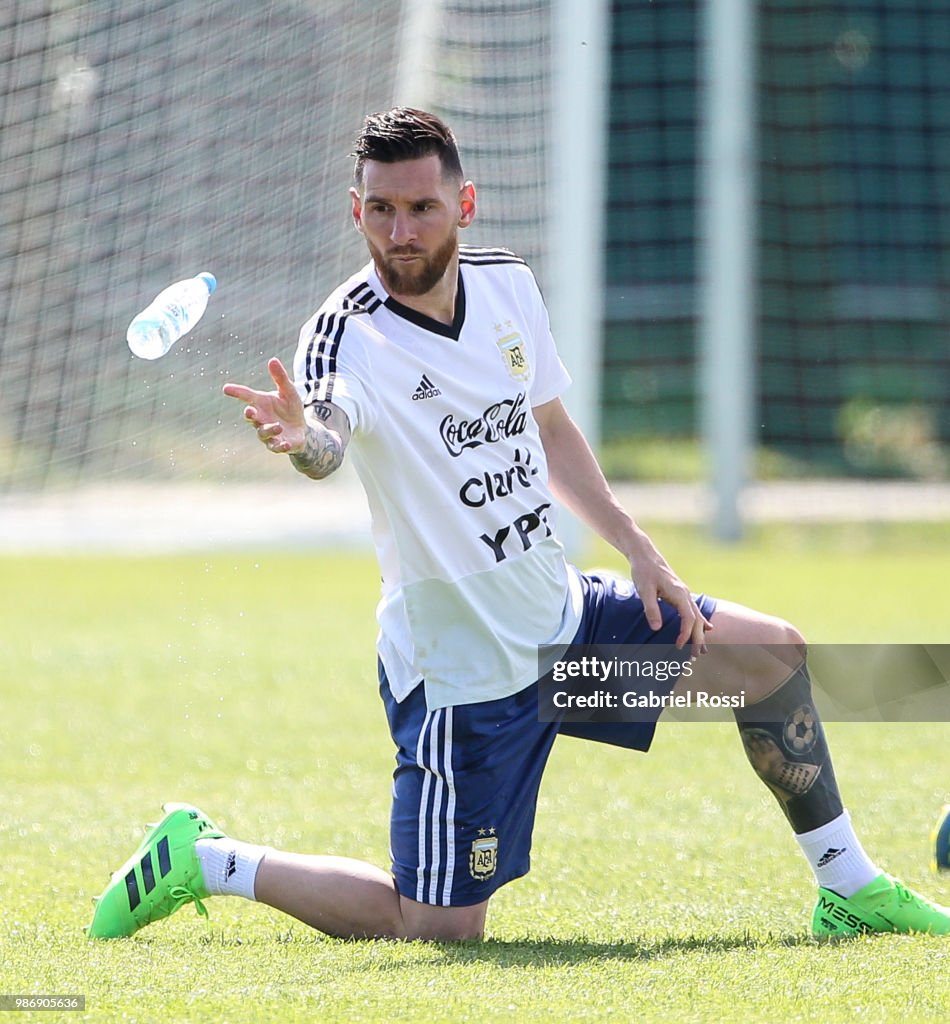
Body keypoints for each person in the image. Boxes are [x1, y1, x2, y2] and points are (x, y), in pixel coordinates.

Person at [88, 107, 949, 942]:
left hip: (567, 637)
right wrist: (302, 439)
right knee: (434, 926)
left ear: (463, 204)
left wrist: (640, 550)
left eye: (422, 207)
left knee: (769, 659)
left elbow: (552, 428)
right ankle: (207, 860)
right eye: (381, 210)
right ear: (357, 212)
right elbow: (327, 437)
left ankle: (850, 889)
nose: (401, 232)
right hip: (467, 679)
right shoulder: (344, 337)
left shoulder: (507, 285)